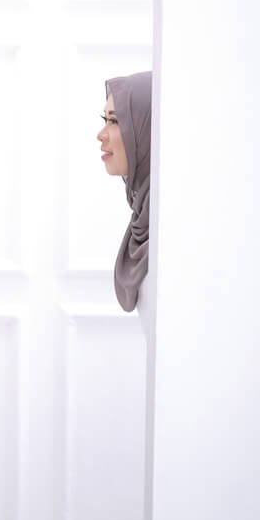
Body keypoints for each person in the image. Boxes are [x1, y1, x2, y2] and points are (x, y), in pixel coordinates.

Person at [96, 70, 152, 338]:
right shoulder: (147, 214)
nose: (101, 135)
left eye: (115, 121)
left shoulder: (172, 223)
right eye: (105, 120)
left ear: (146, 129)